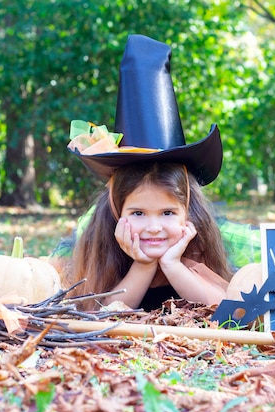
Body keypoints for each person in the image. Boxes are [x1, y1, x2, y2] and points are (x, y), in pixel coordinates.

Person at [63, 34, 235, 311]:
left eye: (167, 213)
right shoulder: (102, 243)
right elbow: (101, 312)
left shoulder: (197, 243)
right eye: (138, 213)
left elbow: (226, 311)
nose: (154, 228)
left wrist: (172, 264)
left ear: (187, 214)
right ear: (118, 211)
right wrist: (144, 264)